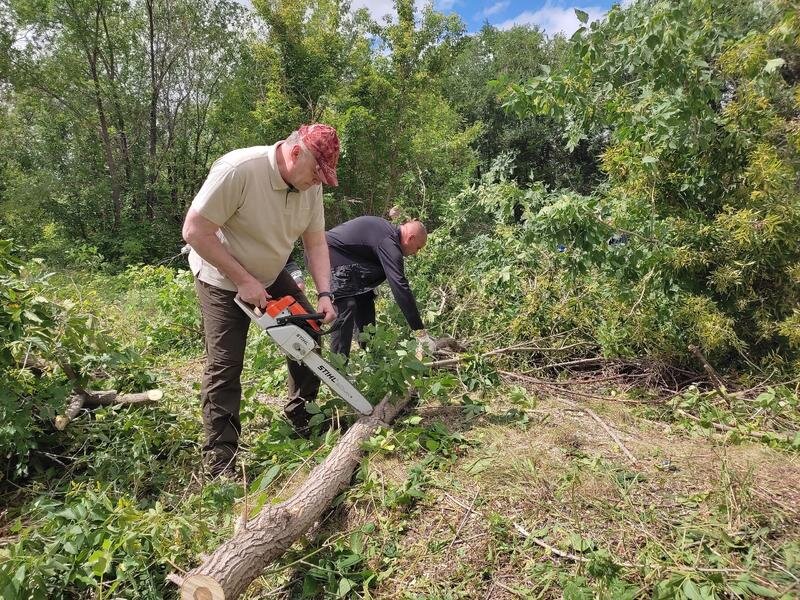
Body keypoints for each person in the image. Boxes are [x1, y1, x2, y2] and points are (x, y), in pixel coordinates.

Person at [182, 123, 339, 477]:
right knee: (226, 365)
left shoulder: (309, 187)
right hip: (221, 276)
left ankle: (302, 418)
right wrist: (242, 279)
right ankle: (220, 463)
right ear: (296, 152)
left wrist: (325, 293)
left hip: (269, 272)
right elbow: (194, 231)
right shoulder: (240, 170)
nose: (318, 181)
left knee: (309, 334)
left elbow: (315, 243)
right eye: (317, 172)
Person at [325, 215, 436, 358]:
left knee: (366, 302)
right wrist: (420, 332)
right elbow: (400, 287)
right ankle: (337, 370)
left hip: (348, 261)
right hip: (324, 254)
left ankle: (369, 356)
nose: (416, 252)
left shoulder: (388, 235)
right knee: (347, 305)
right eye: (418, 247)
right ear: (411, 238)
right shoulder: (389, 243)